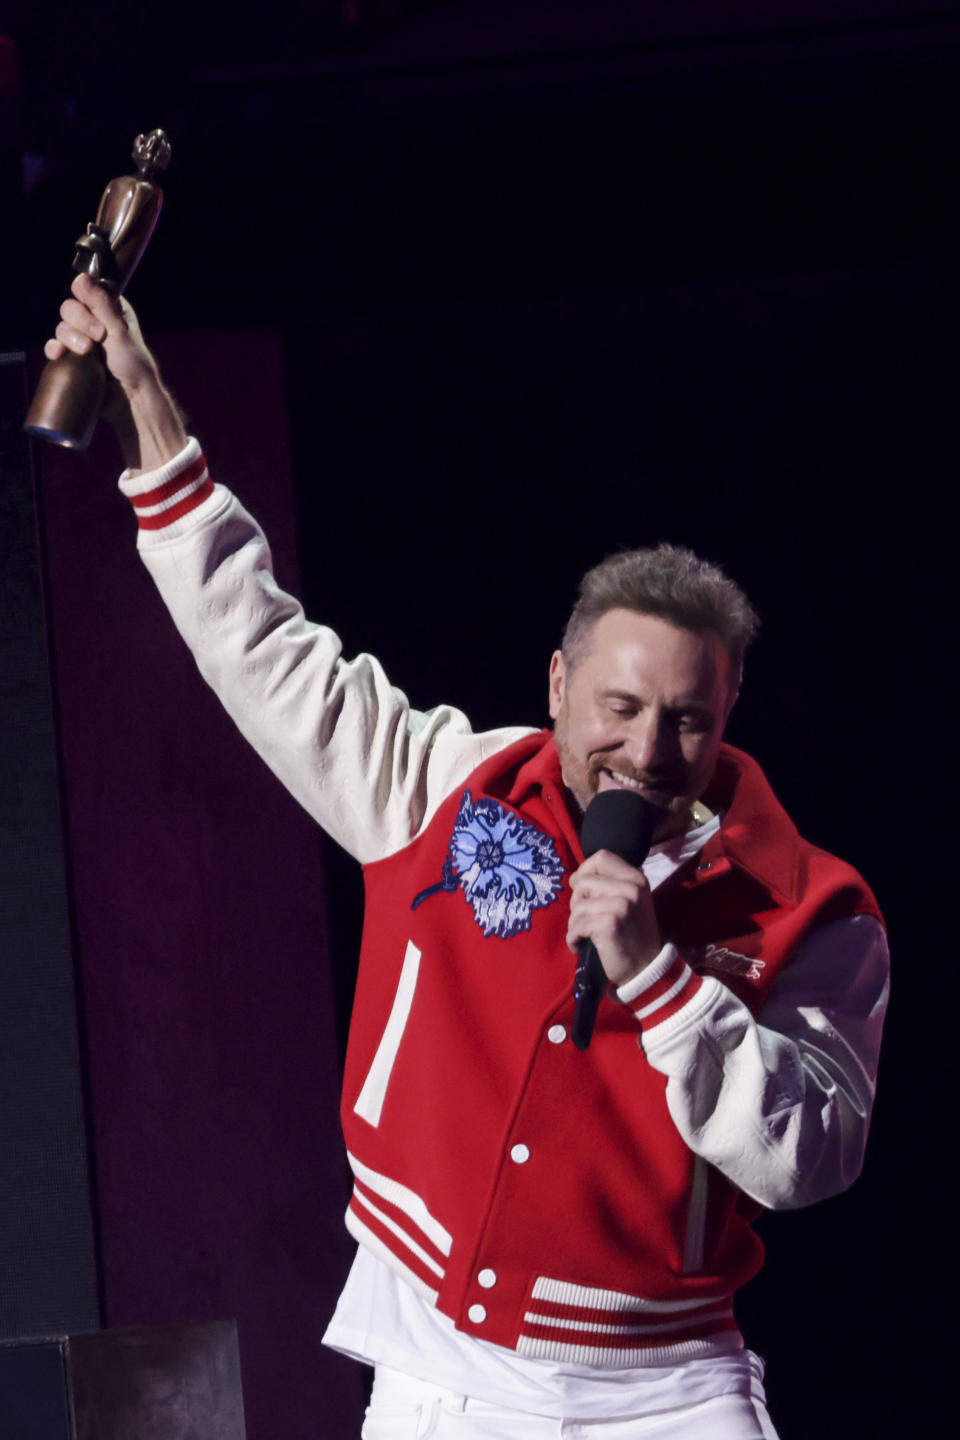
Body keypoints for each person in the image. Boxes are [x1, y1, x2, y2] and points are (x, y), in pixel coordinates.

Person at [45, 274, 889, 1439]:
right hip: (441, 1368)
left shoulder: (814, 909)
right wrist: (150, 415)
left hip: (667, 1386)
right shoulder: (446, 785)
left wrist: (658, 979)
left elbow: (812, 1157)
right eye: (618, 705)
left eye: (686, 720)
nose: (647, 748)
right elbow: (266, 651)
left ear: (728, 713)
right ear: (557, 685)